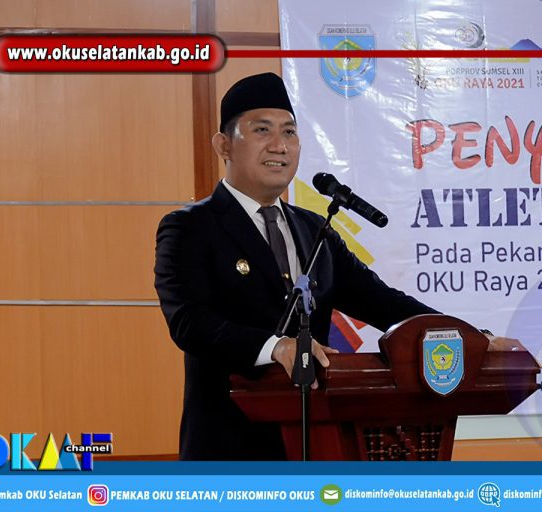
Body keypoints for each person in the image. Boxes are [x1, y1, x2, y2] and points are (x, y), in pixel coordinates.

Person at [154, 72, 440, 461]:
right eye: (262, 130)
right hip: (229, 449)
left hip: (314, 444)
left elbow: (383, 302)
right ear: (224, 145)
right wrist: (276, 347)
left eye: (289, 132)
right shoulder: (190, 227)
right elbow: (190, 322)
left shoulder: (313, 229)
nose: (280, 145)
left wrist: (469, 335)